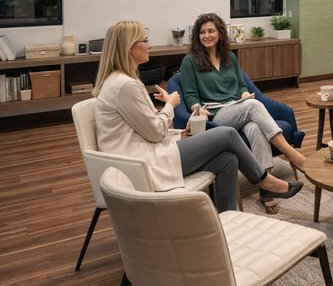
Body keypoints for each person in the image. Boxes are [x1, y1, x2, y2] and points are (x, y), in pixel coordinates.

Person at [93, 20, 302, 213]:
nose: (150, 45)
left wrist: (179, 132)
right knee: (227, 134)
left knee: (228, 160)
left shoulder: (122, 81)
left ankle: (228, 218)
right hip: (142, 162)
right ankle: (267, 180)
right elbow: (155, 132)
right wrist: (170, 105)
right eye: (145, 41)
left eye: (211, 31)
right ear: (129, 47)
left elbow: (144, 127)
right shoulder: (126, 85)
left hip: (148, 151)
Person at [179, 13, 306, 177]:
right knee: (253, 106)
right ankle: (291, 153)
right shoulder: (190, 61)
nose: (206, 36)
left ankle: (266, 183)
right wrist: (197, 110)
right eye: (202, 32)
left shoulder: (229, 57)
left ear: (220, 33)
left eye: (211, 31)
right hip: (216, 115)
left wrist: (244, 93)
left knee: (255, 129)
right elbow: (190, 95)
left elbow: (241, 84)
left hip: (237, 108)